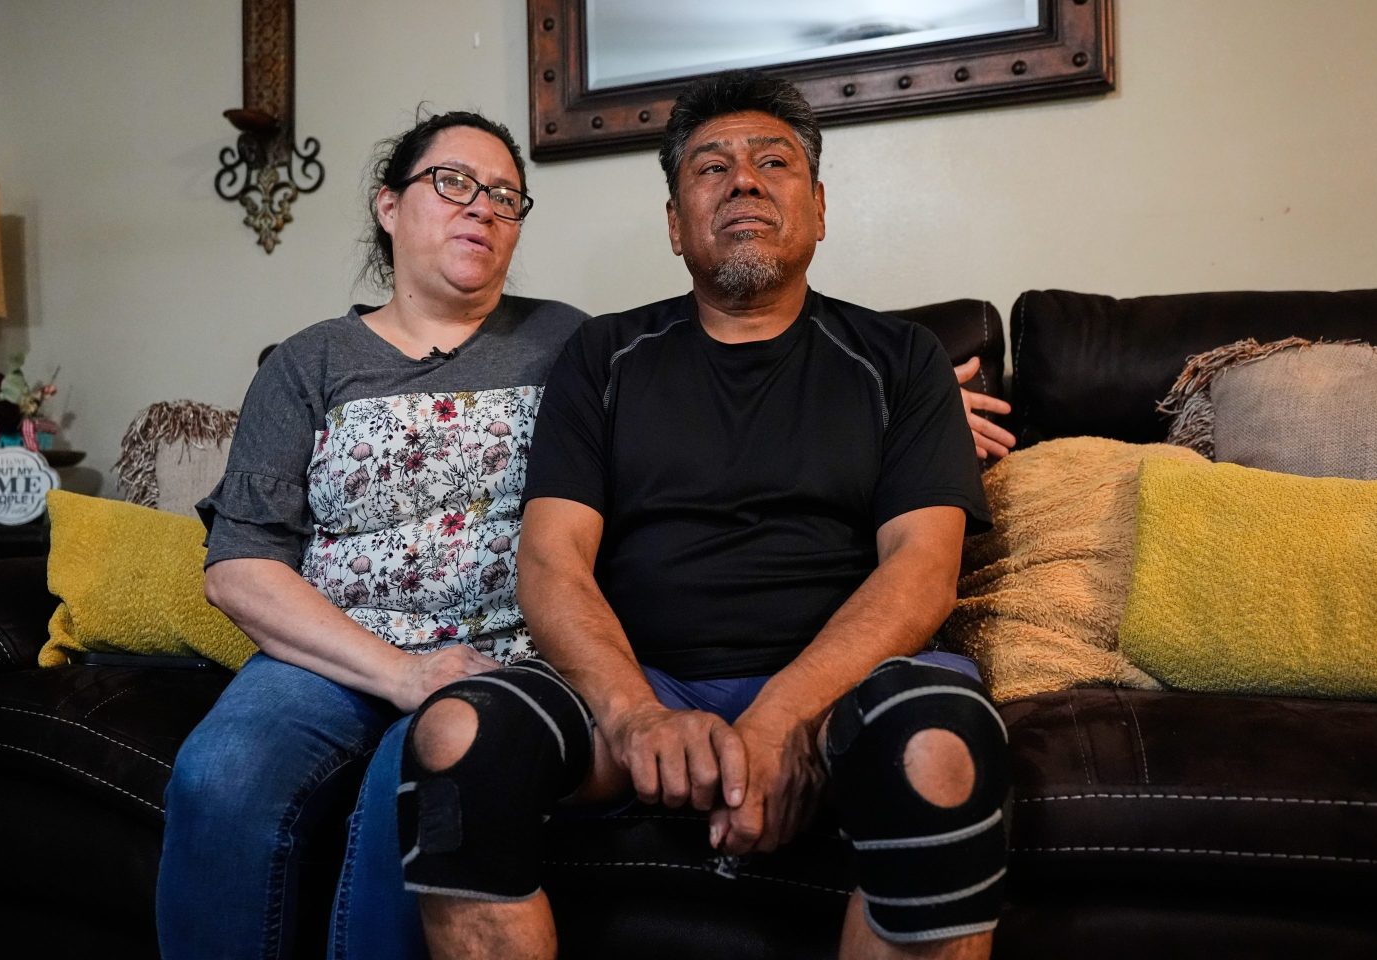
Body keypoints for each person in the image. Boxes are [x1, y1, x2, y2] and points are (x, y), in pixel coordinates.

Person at [396, 71, 1010, 960]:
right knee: (458, 736)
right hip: (647, 684)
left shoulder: (904, 359)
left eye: (775, 162)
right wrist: (636, 716)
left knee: (937, 751)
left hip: (842, 692)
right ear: (676, 223)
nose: (745, 180)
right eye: (711, 168)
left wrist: (784, 717)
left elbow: (922, 570)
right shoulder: (602, 356)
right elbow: (552, 563)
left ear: (820, 208)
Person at [154, 110, 588, 960]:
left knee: (421, 789)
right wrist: (402, 672)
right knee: (220, 774)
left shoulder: (567, 341)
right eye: (454, 183)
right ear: (389, 207)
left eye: (506, 196)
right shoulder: (309, 362)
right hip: (332, 653)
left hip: (505, 656)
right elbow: (239, 566)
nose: (483, 207)